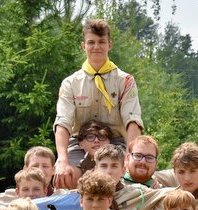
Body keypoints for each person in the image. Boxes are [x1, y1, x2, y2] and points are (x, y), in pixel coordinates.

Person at [53, 18, 143, 189]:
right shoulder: (70, 83)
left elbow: (133, 121)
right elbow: (62, 122)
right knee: (66, 178)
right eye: (91, 42)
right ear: (83, 45)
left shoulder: (125, 81)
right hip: (80, 143)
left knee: (120, 179)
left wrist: (130, 156)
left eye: (102, 42)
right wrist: (62, 159)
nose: (96, 47)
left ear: (110, 45)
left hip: (115, 143)